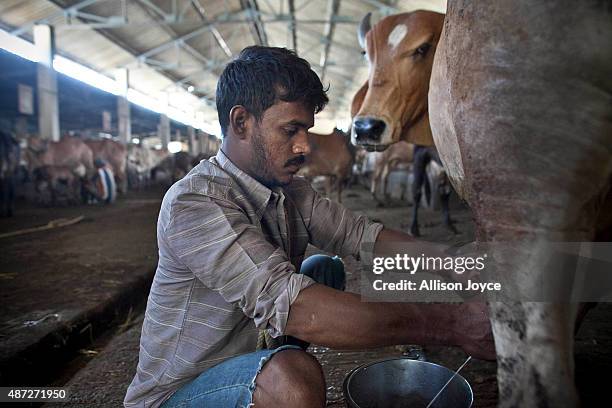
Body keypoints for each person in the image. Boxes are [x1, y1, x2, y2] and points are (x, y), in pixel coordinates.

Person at [124, 46, 494, 408]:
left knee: (325, 269)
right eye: (291, 130)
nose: (304, 146)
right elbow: (296, 305)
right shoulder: (194, 203)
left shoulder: (289, 191)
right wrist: (454, 324)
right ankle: (270, 382)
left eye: (307, 130)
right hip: (181, 392)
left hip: (247, 354)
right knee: (292, 378)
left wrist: (464, 265)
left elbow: (364, 237)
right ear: (241, 123)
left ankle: (267, 366)